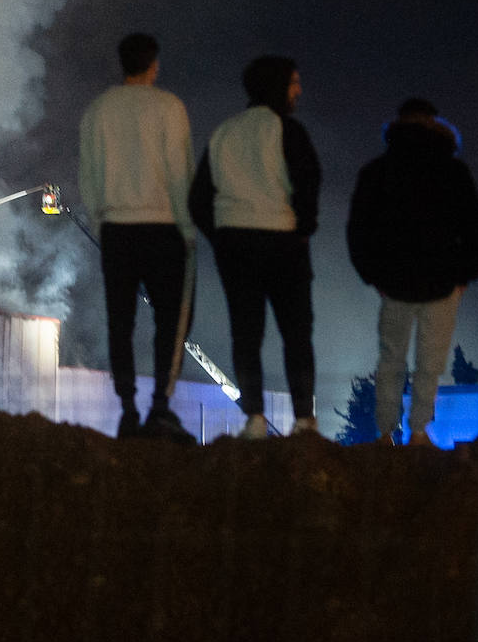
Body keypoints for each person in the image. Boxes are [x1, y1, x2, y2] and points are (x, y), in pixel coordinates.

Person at [188, 56, 320, 438]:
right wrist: (303, 228)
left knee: (246, 334)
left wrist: (222, 236)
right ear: (278, 87)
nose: (298, 90)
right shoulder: (289, 130)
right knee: (296, 333)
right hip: (285, 243)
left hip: (236, 247)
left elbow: (199, 200)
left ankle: (255, 419)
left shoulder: (224, 133)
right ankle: (304, 421)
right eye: (294, 83)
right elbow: (309, 182)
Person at [347, 98, 478, 446]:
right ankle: (420, 431)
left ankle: (385, 433)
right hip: (442, 281)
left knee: (391, 360)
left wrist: (373, 275)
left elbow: (359, 229)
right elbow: (475, 227)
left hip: (394, 282)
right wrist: (464, 276)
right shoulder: (453, 171)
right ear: (434, 124)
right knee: (431, 363)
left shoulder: (378, 171)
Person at [79, 32, 198, 442]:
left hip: (116, 230)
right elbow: (180, 171)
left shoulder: (98, 110)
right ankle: (160, 408)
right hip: (164, 227)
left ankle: (127, 408)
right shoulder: (170, 107)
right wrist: (187, 227)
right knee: (171, 321)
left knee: (120, 321)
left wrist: (101, 222)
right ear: (154, 64)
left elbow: (88, 175)